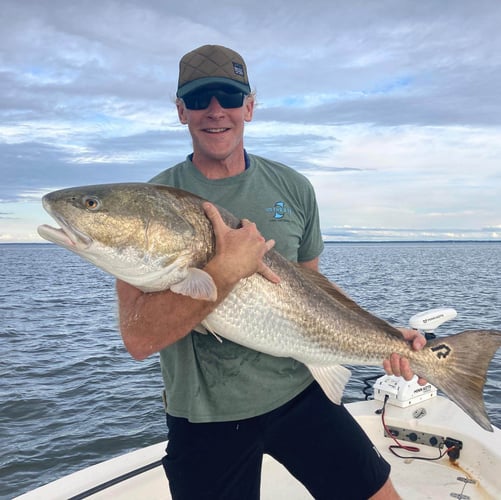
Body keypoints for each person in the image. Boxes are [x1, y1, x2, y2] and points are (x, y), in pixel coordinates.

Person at [116, 44, 426, 500]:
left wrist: (383, 335)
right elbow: (139, 340)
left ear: (250, 106)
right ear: (181, 111)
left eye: (229, 96)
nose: (216, 111)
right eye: (200, 100)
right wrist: (224, 271)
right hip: (205, 415)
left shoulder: (294, 187)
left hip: (299, 394)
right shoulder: (152, 206)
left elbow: (314, 291)